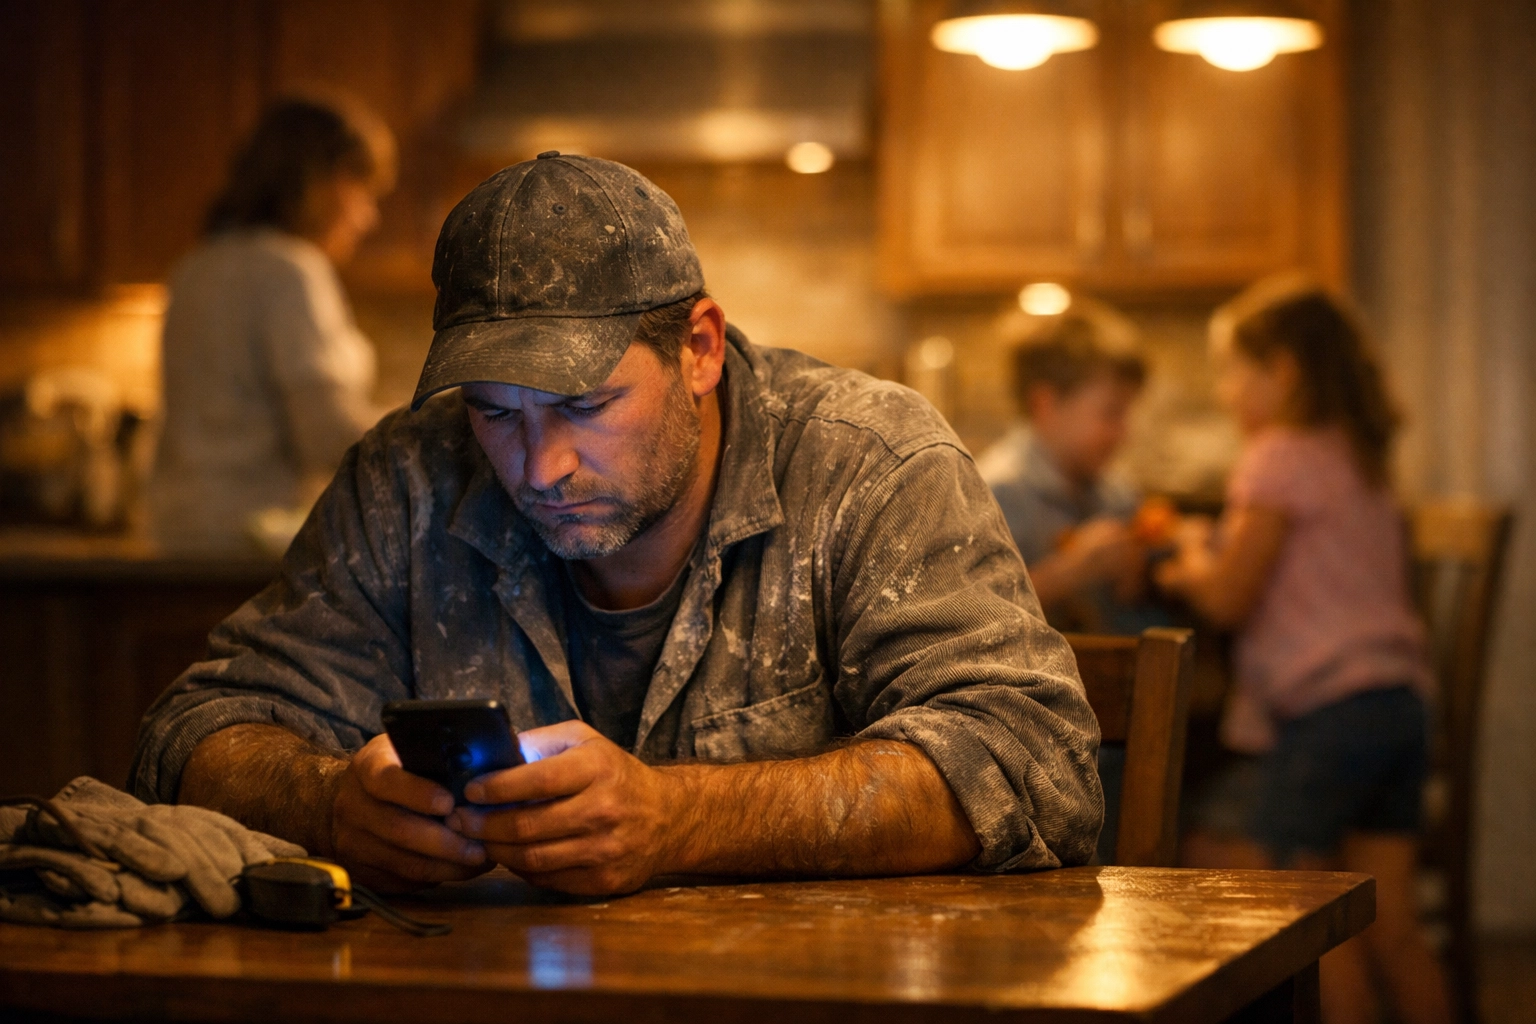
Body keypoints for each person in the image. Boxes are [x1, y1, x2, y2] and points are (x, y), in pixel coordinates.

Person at [130, 153, 1103, 897]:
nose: (539, 467)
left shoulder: (868, 461)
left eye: (586, 406)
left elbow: (1031, 756)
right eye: (496, 412)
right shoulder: (410, 473)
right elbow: (193, 735)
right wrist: (331, 802)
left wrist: (680, 820)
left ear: (700, 348)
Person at [1155, 275, 1451, 1024]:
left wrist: (1183, 564)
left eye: (1231, 371)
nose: (1225, 392)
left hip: (1329, 716)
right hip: (1398, 708)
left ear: (1280, 371)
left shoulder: (1275, 456)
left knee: (1312, 923)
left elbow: (1229, 595)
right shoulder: (1358, 457)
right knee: (1394, 926)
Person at [150, 95, 396, 552]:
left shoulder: (194, 269)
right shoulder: (289, 270)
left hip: (178, 536)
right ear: (316, 181)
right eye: (359, 187)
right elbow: (326, 435)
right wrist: (443, 424)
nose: (367, 216)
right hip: (256, 544)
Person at [977, 311, 1171, 634]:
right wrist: (1070, 572)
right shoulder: (994, 495)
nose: (1124, 433)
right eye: (1111, 413)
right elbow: (970, 620)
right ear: (1045, 404)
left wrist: (1140, 571)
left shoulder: (1113, 491)